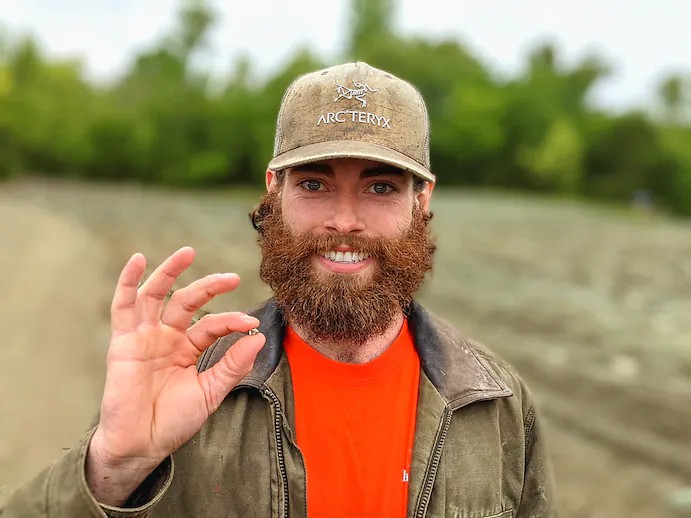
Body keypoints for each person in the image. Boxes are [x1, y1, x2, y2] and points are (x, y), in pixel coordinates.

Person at [1, 62, 555, 517]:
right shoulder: (193, 391)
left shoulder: (497, 408)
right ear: (275, 190)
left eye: (379, 187)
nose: (344, 221)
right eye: (314, 184)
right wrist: (113, 467)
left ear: (422, 200)